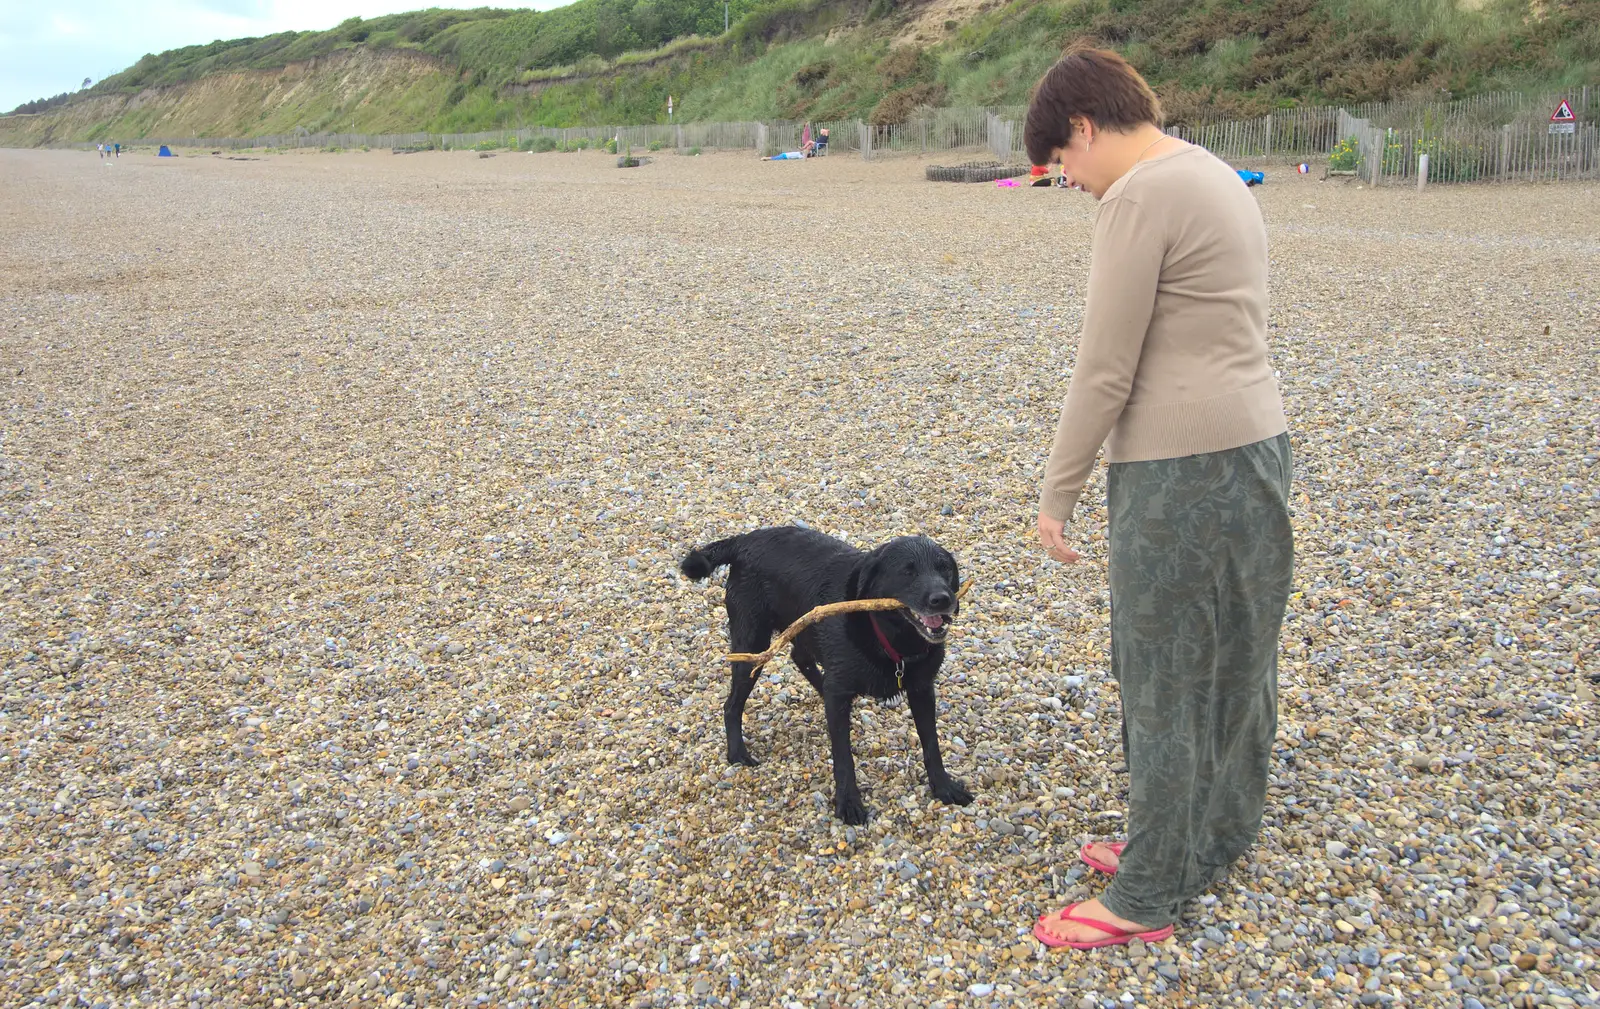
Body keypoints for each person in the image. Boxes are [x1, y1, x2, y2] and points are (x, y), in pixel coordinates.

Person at [1024, 43, 1294, 951]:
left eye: (1062, 162)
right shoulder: (1213, 172)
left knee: (1161, 670)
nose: (1070, 181)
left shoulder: (1139, 194)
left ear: (1085, 127)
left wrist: (1056, 492)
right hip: (1257, 444)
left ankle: (1145, 895)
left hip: (1180, 469)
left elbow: (1105, 368)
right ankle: (1203, 838)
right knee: (1233, 656)